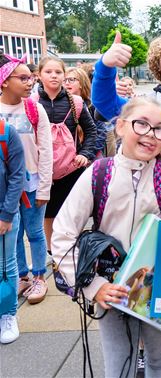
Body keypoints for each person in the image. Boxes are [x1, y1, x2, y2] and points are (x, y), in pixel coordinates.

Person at [51, 97, 161, 377]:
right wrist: (93, 286)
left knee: (158, 361)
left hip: (158, 287)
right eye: (142, 124)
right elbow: (62, 234)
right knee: (120, 365)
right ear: (121, 127)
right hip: (112, 287)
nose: (151, 134)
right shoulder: (98, 174)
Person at [0, 54, 52, 305]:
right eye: (23, 78)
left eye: (31, 77)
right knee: (14, 231)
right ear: (5, 81)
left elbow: (46, 150)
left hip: (31, 182)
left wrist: (44, 187)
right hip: (6, 187)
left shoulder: (34, 108)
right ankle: (21, 275)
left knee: (34, 231)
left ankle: (40, 274)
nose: (30, 82)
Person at [35, 56, 98, 255]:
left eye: (58, 72)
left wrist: (85, 154)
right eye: (48, 72)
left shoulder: (76, 102)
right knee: (48, 213)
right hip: (42, 171)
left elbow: (91, 131)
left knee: (72, 211)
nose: (53, 76)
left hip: (71, 169)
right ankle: (51, 250)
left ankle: (72, 249)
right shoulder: (31, 102)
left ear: (64, 75)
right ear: (39, 75)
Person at [0, 56, 32, 344]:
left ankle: (8, 314)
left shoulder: (5, 133)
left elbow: (16, 178)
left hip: (4, 212)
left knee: (6, 263)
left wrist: (7, 215)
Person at [64, 67, 107, 157]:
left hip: (90, 157)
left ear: (81, 83)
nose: (67, 83)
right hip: (67, 159)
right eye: (64, 80)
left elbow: (100, 133)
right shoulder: (60, 105)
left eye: (71, 80)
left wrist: (86, 155)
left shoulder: (92, 106)